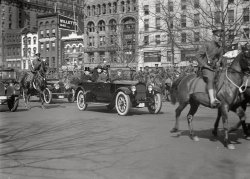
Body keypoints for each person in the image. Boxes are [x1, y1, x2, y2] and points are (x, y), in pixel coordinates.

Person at [196, 29, 224, 107]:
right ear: (213, 36)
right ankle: (212, 100)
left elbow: (220, 58)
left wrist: (220, 63)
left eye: (220, 36)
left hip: (215, 68)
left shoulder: (220, 48)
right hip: (206, 68)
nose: (219, 38)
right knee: (211, 78)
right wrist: (204, 65)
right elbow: (198, 55)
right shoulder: (207, 44)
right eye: (218, 36)